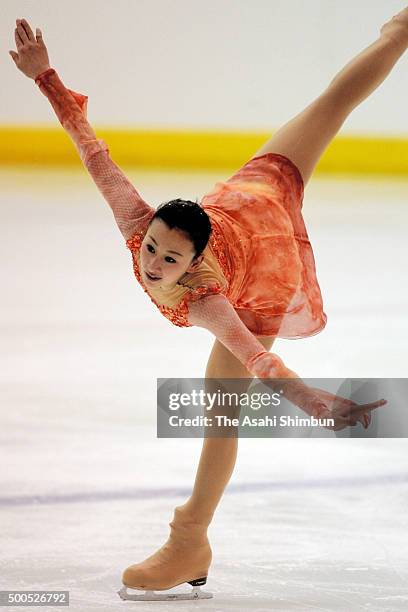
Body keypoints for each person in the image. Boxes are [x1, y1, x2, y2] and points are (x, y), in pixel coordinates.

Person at [9, 8, 406, 600]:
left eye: (168, 260)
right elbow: (92, 151)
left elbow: (258, 360)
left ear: (194, 263)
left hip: (267, 266)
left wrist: (312, 400)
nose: (150, 264)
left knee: (220, 409)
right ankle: (400, 30)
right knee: (328, 106)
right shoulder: (139, 221)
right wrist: (45, 76)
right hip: (253, 192)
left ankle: (189, 536)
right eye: (150, 249)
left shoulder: (209, 301)